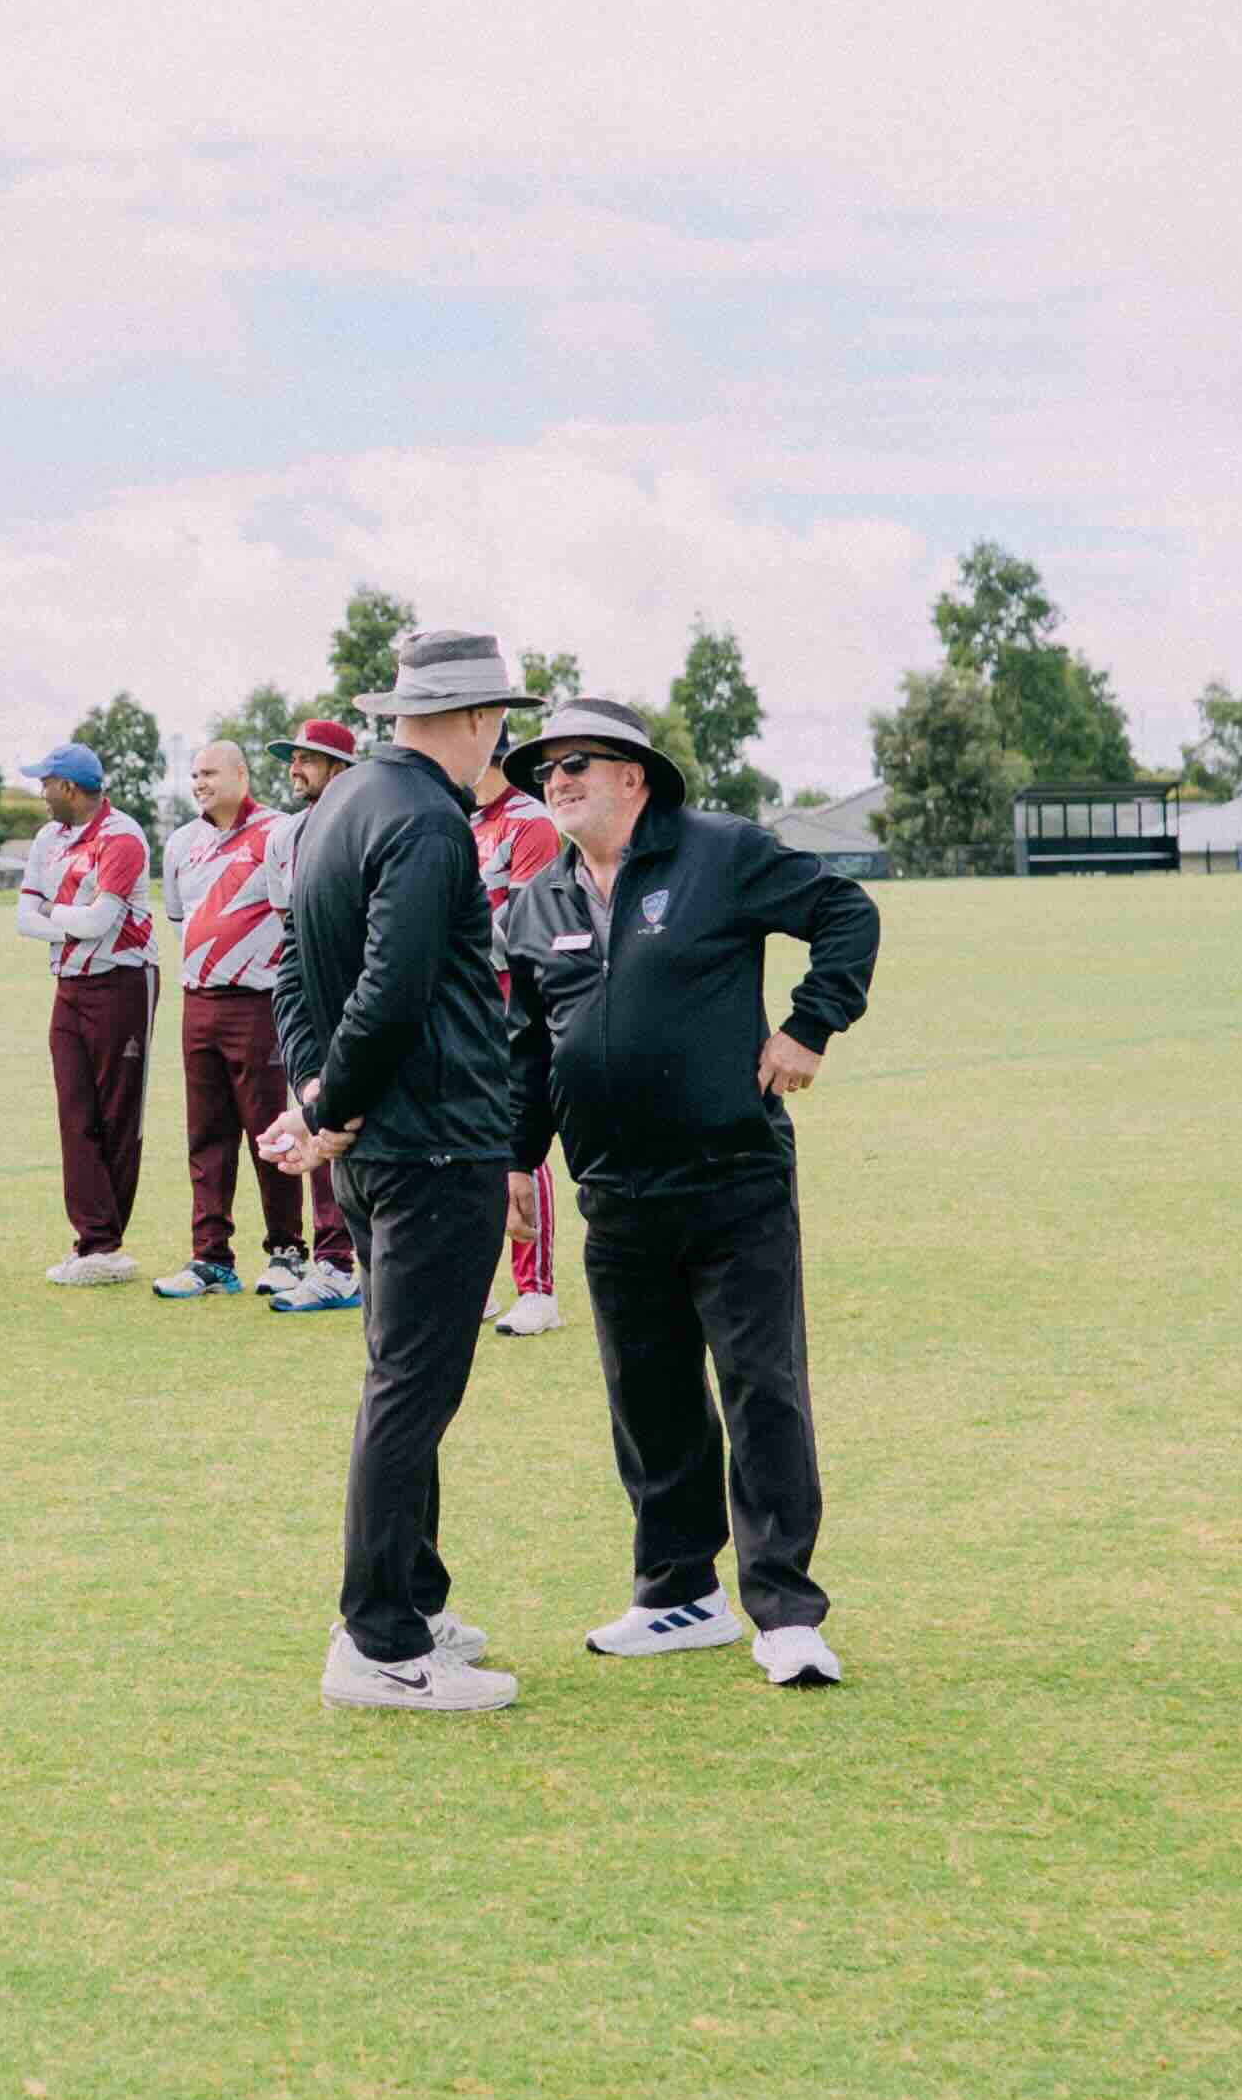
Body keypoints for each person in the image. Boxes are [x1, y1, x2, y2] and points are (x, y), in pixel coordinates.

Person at [492, 695, 877, 1686]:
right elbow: (529, 1047)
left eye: (577, 762)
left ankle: (784, 1609)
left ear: (634, 774)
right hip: (613, 1195)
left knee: (761, 1392)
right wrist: (512, 1159)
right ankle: (677, 1593)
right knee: (648, 1399)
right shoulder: (536, 903)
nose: (555, 780)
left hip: (732, 1180)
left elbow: (844, 912)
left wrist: (807, 1025)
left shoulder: (721, 852)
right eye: (543, 768)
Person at [264, 625, 542, 1715]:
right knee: (410, 1392)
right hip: (431, 1143)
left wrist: (316, 1098)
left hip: (381, 1145)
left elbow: (294, 965)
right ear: (479, 720)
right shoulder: (426, 818)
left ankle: (414, 1603)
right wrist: (329, 1102)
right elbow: (393, 987)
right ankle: (377, 1638)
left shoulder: (338, 805)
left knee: (404, 1384)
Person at [153, 739, 298, 1301]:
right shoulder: (182, 843)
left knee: (270, 1130)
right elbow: (177, 917)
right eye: (194, 775)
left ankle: (286, 1250)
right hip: (199, 1004)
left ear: (241, 773)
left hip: (258, 1005)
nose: (199, 783)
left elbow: (294, 917)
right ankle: (210, 1256)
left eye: (210, 772)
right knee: (205, 1133)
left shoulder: (279, 833)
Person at [13, 741, 158, 1287]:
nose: (41, 794)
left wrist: (53, 913)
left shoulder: (123, 836)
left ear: (69, 788)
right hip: (70, 983)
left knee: (117, 1112)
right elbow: (25, 917)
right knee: (75, 1112)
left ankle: (106, 1245)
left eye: (45, 784)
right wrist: (61, 915)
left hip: (123, 982)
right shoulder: (48, 839)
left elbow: (102, 924)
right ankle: (93, 1240)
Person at [253, 715, 369, 1305]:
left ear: (340, 768)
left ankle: (369, 1262)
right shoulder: (283, 837)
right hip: (315, 1002)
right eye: (290, 759)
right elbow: (290, 929)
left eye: (307, 758)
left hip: (367, 998)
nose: (294, 769)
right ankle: (334, 1260)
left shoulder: (372, 823)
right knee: (319, 1112)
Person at [465, 756, 570, 1338]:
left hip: (511, 993)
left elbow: (530, 920)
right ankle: (476, 1280)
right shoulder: (463, 821)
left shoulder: (528, 821)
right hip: (465, 995)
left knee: (519, 1137)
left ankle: (537, 1289)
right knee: (469, 1138)